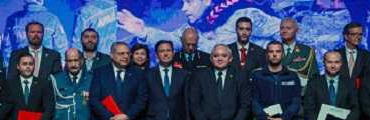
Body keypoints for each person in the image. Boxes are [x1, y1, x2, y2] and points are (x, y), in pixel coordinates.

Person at [118, 0, 281, 53]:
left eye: (189, 1)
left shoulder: (244, 15)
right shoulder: (192, 29)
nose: (183, 8)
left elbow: (284, 32)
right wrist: (143, 31)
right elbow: (171, 40)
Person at [251, 40, 301, 120]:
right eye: (271, 51)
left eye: (278, 51)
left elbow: (296, 101)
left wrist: (282, 119)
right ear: (266, 54)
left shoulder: (292, 76)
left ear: (282, 54)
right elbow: (253, 100)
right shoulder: (257, 76)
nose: (274, 54)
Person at [280, 17, 319, 120]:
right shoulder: (272, 49)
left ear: (297, 30)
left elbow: (314, 79)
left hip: (299, 107)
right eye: (282, 27)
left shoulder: (306, 51)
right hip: (276, 108)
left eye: (288, 27)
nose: (284, 30)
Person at [146, 40, 192, 120]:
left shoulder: (183, 74)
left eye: (168, 50)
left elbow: (187, 103)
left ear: (173, 53)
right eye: (162, 51)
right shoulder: (148, 75)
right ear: (156, 54)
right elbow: (144, 103)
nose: (165, 54)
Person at [1, 0, 68, 65]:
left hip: (21, 71)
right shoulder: (52, 20)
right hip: (47, 70)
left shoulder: (13, 20)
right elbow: (62, 48)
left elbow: (6, 49)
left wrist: (11, 70)